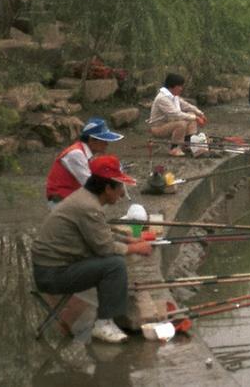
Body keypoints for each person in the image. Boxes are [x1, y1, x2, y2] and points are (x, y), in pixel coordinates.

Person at [32, 155, 153, 343]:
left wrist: (127, 239)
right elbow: (104, 248)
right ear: (107, 188)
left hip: (53, 267)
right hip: (52, 275)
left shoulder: (85, 198)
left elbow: (99, 234)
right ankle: (103, 324)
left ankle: (110, 314)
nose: (122, 193)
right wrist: (136, 247)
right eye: (120, 187)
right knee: (114, 264)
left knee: (114, 258)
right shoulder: (88, 206)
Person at [45, 118, 123, 209]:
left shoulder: (85, 153)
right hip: (61, 201)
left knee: (105, 196)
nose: (107, 144)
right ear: (91, 140)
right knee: (103, 196)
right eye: (103, 140)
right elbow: (91, 185)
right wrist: (116, 185)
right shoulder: (76, 154)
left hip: (68, 199)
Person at [147, 73, 207, 156]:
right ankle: (174, 148)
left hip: (170, 123)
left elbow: (186, 105)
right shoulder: (162, 98)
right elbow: (176, 114)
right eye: (180, 86)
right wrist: (196, 118)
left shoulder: (174, 96)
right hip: (158, 127)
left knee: (191, 115)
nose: (181, 89)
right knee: (181, 124)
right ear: (173, 86)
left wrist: (200, 113)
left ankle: (187, 144)